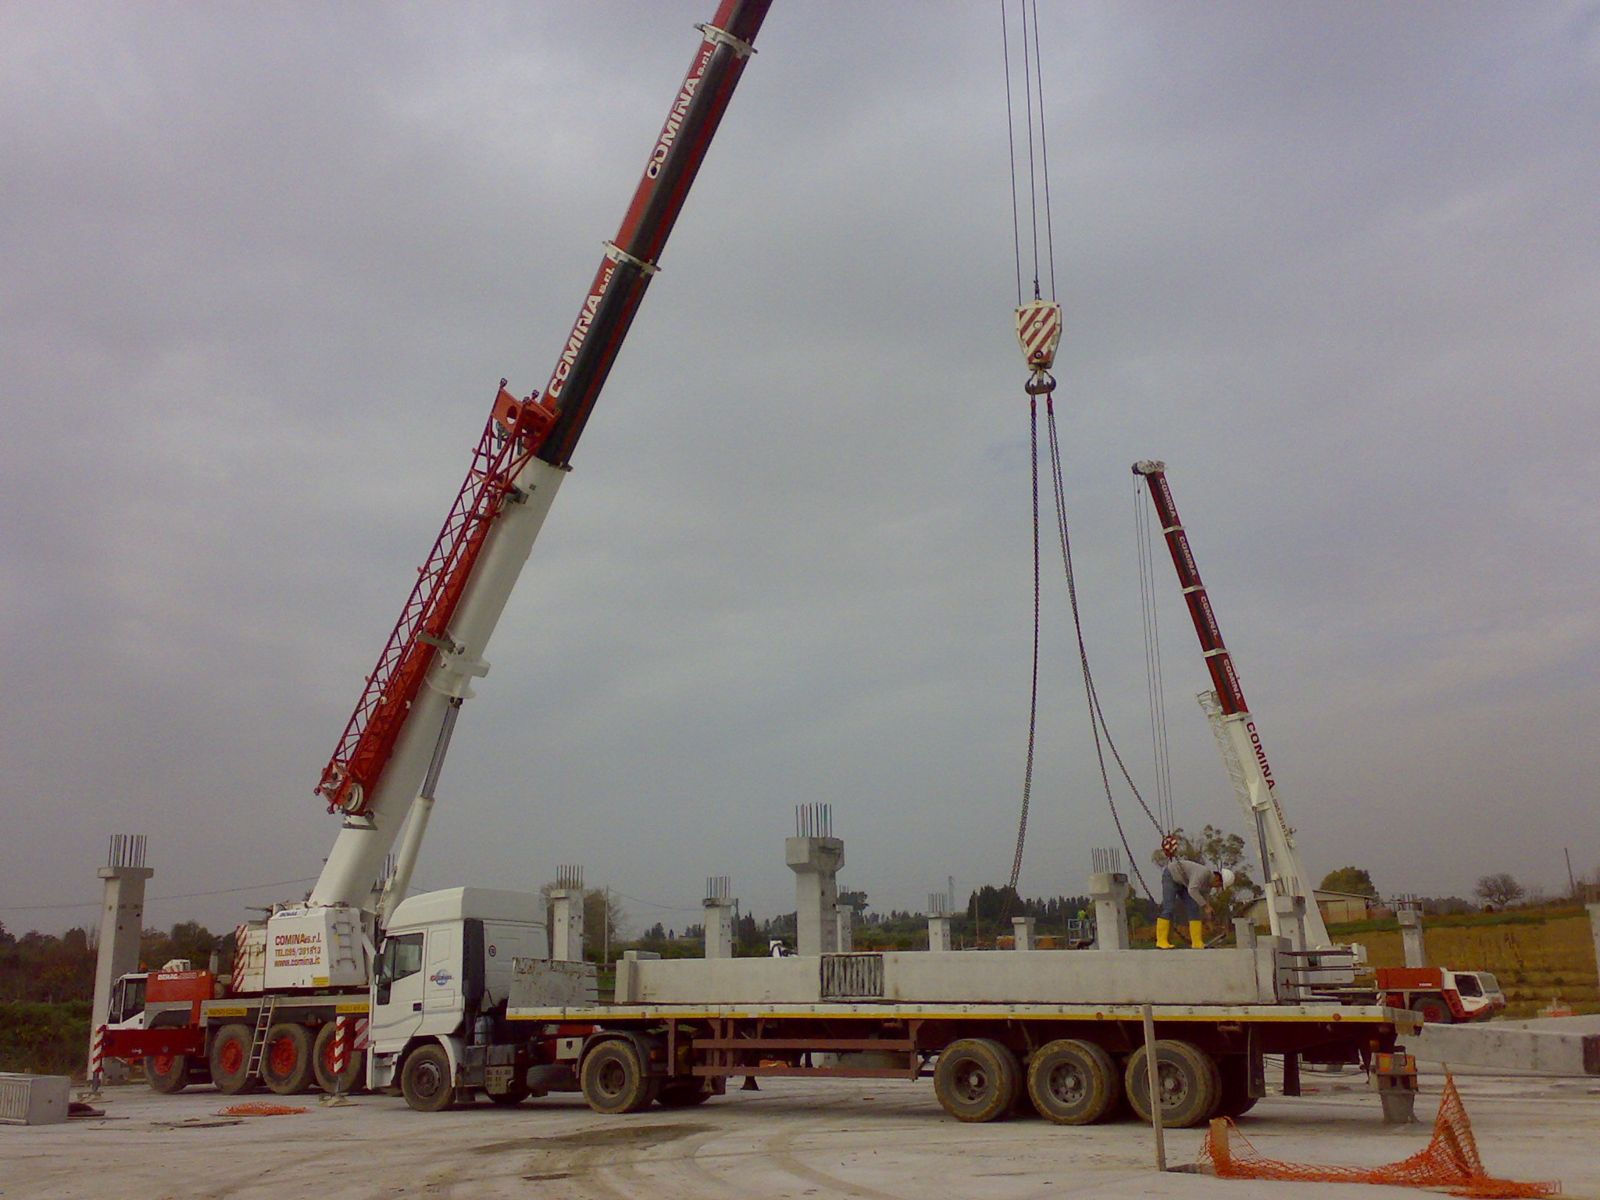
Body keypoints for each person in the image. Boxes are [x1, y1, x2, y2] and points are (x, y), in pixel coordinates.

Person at [1157, 859, 1236, 949]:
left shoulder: (1208, 884)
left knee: (1194, 908)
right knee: (1169, 908)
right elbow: (1192, 890)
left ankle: (1197, 942)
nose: (1217, 887)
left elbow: (1204, 897)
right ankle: (1161, 940)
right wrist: (1206, 906)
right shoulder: (1203, 874)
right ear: (1218, 878)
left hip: (1184, 883)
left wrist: (1208, 911)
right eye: (1219, 885)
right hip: (1171, 876)